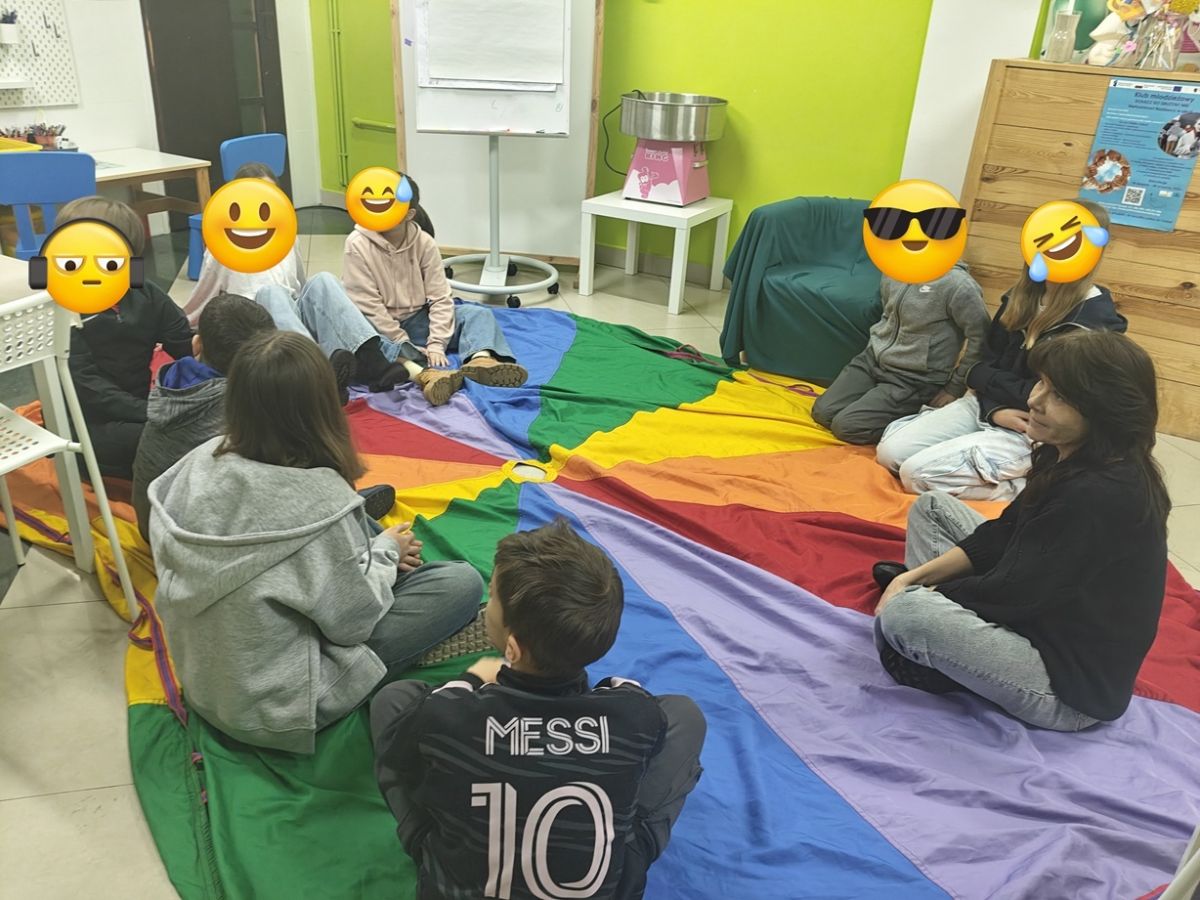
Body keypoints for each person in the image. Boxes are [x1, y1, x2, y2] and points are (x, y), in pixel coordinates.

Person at [148, 331, 483, 754]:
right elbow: (354, 624)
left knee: (350, 522)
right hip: (280, 710)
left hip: (205, 685)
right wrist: (385, 556)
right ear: (322, 406)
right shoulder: (320, 503)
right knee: (460, 583)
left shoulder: (196, 463)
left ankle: (362, 534)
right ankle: (371, 543)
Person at [370, 520, 706, 899]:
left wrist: (473, 678)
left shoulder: (448, 713)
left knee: (393, 701)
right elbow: (637, 699)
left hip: (454, 885)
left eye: (492, 597)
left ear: (511, 648)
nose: (487, 606)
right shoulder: (633, 714)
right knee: (684, 714)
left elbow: (403, 748)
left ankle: (428, 846)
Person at [871, 331, 1169, 731]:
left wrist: (925, 595)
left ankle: (938, 639)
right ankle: (935, 616)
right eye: (1042, 383)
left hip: (1064, 684)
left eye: (1059, 396)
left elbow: (1015, 592)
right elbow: (1005, 532)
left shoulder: (1098, 496)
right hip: (1038, 604)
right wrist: (912, 578)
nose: (1034, 400)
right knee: (933, 507)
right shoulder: (1071, 455)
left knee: (907, 614)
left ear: (1103, 410)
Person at [875, 199, 1126, 501]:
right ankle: (976, 456)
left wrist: (990, 386)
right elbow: (979, 367)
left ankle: (1023, 486)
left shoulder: (1093, 323)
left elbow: (1048, 397)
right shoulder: (1019, 298)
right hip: (987, 406)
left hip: (1034, 429)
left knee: (915, 475)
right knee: (889, 453)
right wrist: (995, 409)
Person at [131, 293, 395, 543]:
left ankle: (346, 508)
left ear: (197, 344)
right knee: (312, 456)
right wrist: (385, 547)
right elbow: (283, 478)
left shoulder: (169, 381)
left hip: (153, 523)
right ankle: (348, 514)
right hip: (200, 539)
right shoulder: (245, 406)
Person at [182, 162, 391, 403]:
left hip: (288, 322)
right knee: (272, 292)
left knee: (323, 280)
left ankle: (372, 361)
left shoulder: (286, 238)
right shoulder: (222, 249)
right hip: (253, 331)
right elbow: (204, 302)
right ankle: (316, 374)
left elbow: (300, 287)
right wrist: (181, 329)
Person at [341, 172, 529, 407]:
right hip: (379, 326)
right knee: (366, 342)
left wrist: (437, 342)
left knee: (477, 314)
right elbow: (368, 305)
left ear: (409, 214)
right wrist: (402, 342)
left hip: (417, 318)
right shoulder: (356, 243)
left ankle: (481, 360)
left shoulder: (424, 243)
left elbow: (440, 296)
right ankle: (424, 375)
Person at [58, 196, 194, 479]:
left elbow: (183, 340)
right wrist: (153, 411)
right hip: (87, 424)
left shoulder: (144, 292)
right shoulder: (62, 309)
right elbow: (88, 387)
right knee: (167, 438)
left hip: (140, 406)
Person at [811, 261, 989, 444]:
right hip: (871, 361)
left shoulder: (958, 285)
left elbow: (982, 337)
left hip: (913, 378)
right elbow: (887, 316)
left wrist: (954, 388)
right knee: (822, 412)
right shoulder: (892, 268)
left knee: (847, 427)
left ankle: (919, 420)